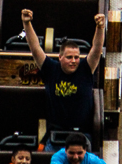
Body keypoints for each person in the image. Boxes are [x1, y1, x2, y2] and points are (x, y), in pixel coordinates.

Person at [20, 8, 105, 151]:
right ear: (60, 57)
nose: (74, 61)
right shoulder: (51, 69)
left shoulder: (85, 69)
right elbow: (35, 49)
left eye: (77, 57)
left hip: (81, 136)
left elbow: (96, 49)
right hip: (56, 137)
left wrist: (100, 28)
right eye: (69, 57)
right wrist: (26, 23)